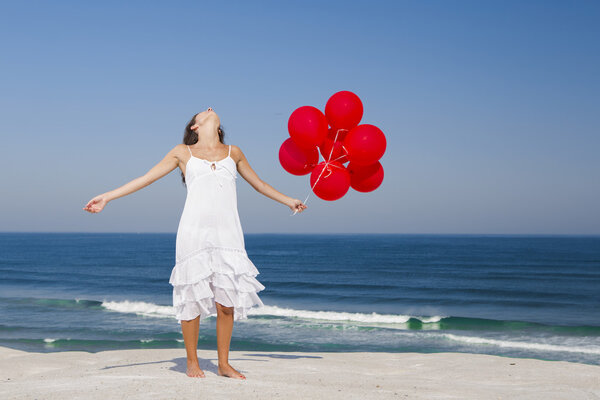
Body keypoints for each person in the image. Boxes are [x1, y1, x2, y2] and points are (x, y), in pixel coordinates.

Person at [83, 106, 307, 379]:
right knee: (192, 299)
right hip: (193, 232)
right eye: (204, 111)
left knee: (227, 304)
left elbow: (259, 184)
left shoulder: (233, 152)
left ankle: (223, 364)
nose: (210, 109)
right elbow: (145, 179)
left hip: (228, 234)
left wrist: (289, 201)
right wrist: (107, 196)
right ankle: (192, 362)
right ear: (195, 126)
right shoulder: (182, 153)